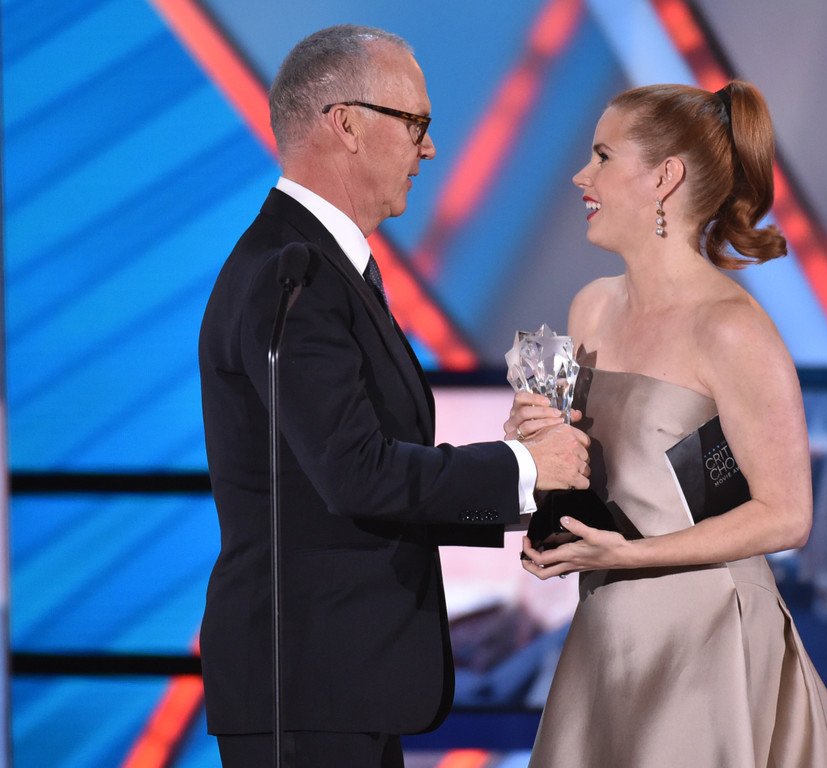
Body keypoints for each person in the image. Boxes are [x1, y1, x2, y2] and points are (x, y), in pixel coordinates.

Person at [198, 25, 590, 768]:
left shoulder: (317, 269)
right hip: (304, 688)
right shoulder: (293, 274)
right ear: (345, 124)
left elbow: (352, 475)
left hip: (339, 684)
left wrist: (518, 478)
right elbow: (357, 474)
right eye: (415, 123)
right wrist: (525, 467)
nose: (429, 148)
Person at [506, 81, 827, 767]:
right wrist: (535, 458)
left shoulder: (732, 329)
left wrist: (627, 558)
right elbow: (587, 475)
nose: (581, 176)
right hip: (607, 629)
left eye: (602, 156)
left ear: (664, 177)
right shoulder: (590, 308)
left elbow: (787, 516)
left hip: (709, 638)